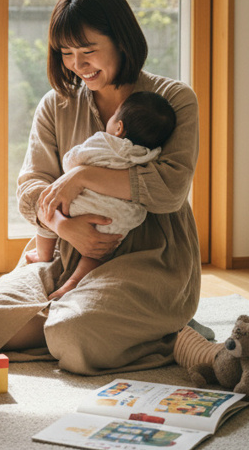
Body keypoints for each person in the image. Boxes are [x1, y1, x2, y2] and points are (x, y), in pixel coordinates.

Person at [0, 0, 205, 375]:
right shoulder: (56, 105)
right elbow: (30, 189)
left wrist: (84, 176)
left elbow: (170, 189)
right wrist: (64, 226)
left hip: (150, 260)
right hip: (66, 254)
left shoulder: (173, 100)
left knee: (74, 333)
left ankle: (161, 332)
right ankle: (115, 328)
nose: (77, 64)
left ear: (121, 40)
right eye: (66, 53)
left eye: (88, 51)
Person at [25, 90, 177, 300]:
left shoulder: (104, 142)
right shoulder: (150, 154)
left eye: (114, 116)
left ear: (119, 127)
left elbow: (72, 160)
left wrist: (75, 173)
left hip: (83, 206)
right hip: (118, 217)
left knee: (49, 203)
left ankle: (43, 255)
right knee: (97, 252)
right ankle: (73, 283)